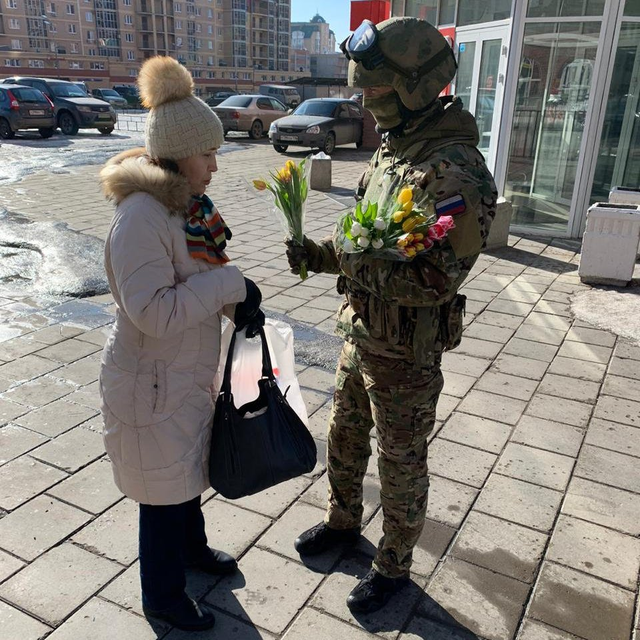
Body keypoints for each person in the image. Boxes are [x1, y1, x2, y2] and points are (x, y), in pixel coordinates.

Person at [286, 17, 497, 613]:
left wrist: (348, 264)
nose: (365, 105)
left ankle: (395, 567)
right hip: (360, 333)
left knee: (401, 462)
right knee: (344, 435)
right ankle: (342, 523)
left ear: (418, 89)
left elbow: (436, 279)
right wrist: (320, 255)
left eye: (375, 95)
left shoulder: (452, 169)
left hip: (405, 351)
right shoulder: (393, 149)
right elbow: (363, 239)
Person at [99, 56, 264, 632]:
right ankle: (163, 597)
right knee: (162, 497)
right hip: (151, 381)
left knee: (183, 475)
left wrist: (234, 297)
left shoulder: (184, 207)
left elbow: (194, 278)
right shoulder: (142, 216)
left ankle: (192, 555)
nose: (215, 166)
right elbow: (151, 311)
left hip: (181, 375)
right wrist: (228, 284)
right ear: (175, 154)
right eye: (208, 154)